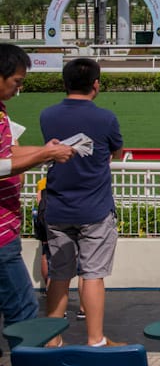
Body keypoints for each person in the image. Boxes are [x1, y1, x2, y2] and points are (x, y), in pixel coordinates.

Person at [40, 57, 124, 347]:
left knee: (59, 274)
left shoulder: (47, 115)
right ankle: (95, 339)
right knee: (93, 275)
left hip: (58, 207)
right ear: (96, 85)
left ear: (65, 83)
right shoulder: (106, 118)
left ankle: (52, 340)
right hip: (95, 209)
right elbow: (115, 149)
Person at [0, 44, 74, 332]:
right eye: (16, 82)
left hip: (7, 231)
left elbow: (8, 155)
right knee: (23, 311)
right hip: (1, 237)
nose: (18, 90)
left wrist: (45, 150)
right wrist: (44, 156)